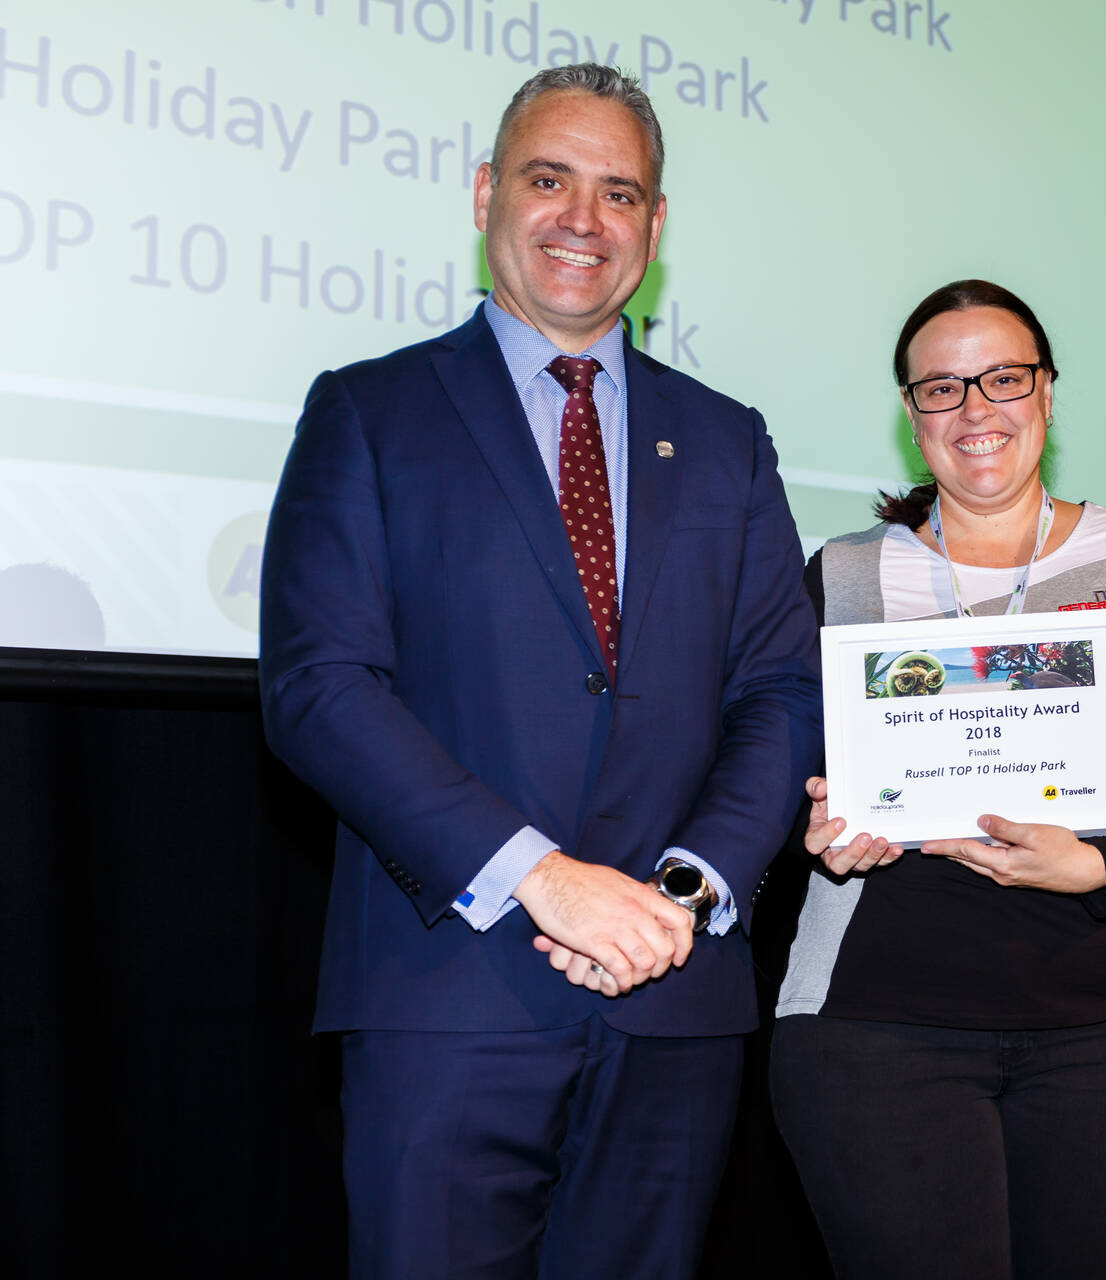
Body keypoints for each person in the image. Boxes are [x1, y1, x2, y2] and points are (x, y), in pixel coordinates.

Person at [258, 64, 820, 1279]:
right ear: (485, 194)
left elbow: (780, 688)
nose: (583, 218)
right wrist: (543, 877)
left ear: (655, 227)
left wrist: (678, 892)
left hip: (673, 995)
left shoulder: (728, 440)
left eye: (620, 192)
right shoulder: (370, 412)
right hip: (446, 999)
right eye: (549, 179)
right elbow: (321, 685)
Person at [768, 279, 1106, 1280]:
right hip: (876, 1029)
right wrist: (813, 825)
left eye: (1003, 378)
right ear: (912, 415)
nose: (975, 408)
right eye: (942, 387)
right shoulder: (844, 574)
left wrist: (1098, 866)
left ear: (1046, 392)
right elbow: (785, 764)